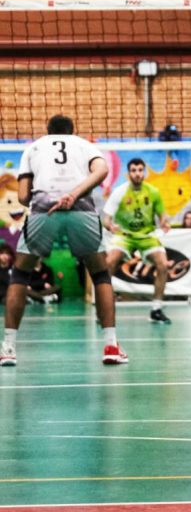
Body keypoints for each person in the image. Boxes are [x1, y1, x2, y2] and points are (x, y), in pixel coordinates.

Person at [0, 114, 127, 366]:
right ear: (72, 130)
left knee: (20, 275)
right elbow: (102, 170)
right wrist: (74, 193)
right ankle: (111, 346)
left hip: (44, 211)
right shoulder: (84, 145)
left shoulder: (33, 148)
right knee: (100, 274)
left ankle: (8, 348)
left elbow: (23, 197)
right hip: (81, 210)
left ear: (48, 131)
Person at [103, 157, 172, 325]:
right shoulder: (119, 192)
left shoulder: (153, 192)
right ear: (129, 173)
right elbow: (106, 220)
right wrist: (110, 226)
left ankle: (156, 309)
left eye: (140, 170)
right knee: (109, 262)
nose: (137, 174)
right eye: (134, 171)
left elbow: (163, 215)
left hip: (147, 236)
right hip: (124, 236)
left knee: (163, 265)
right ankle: (105, 308)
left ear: (144, 172)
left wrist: (165, 222)